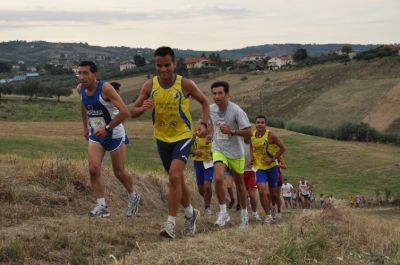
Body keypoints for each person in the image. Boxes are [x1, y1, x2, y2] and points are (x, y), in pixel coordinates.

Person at [130, 46, 209, 239]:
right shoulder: (150, 86)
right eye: (159, 66)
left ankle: (170, 224)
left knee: (174, 176)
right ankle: (190, 214)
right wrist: (143, 108)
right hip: (162, 138)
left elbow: (205, 102)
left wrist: (204, 123)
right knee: (178, 180)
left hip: (183, 136)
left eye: (167, 65)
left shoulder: (185, 84)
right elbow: (133, 111)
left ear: (174, 64)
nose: (163, 69)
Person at [77, 61, 140, 218]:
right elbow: (84, 106)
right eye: (80, 73)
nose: (82, 77)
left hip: (114, 132)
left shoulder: (105, 89)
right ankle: (101, 205)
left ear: (94, 75)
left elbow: (124, 112)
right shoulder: (80, 89)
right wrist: (86, 127)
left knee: (118, 172)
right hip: (96, 134)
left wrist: (106, 129)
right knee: (93, 169)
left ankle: (133, 195)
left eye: (86, 73)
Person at [209, 80, 252, 229]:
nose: (217, 96)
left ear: (227, 94)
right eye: (214, 93)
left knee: (240, 186)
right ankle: (223, 212)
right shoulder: (211, 110)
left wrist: (232, 131)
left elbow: (248, 131)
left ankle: (244, 217)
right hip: (219, 149)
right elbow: (210, 125)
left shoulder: (237, 111)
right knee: (219, 178)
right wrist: (209, 134)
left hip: (236, 152)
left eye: (220, 93)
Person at [250, 115, 286, 223]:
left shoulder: (270, 135)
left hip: (272, 168)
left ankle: (273, 206)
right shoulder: (252, 135)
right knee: (261, 190)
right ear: (255, 124)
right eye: (258, 122)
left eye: (262, 122)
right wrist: (252, 157)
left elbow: (283, 148)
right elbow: (251, 147)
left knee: (274, 194)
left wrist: (273, 159)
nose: (260, 124)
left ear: (266, 124)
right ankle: (268, 215)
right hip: (259, 168)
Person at [191, 121, 214, 215]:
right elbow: (187, 149)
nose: (198, 130)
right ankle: (207, 201)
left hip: (209, 164)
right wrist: (195, 152)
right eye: (197, 128)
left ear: (206, 129)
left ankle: (207, 207)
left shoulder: (211, 137)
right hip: (198, 163)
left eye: (200, 128)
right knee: (201, 189)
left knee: (208, 186)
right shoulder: (194, 138)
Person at [243, 138, 261, 221]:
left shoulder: (252, 142)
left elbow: (259, 154)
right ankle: (245, 214)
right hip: (240, 171)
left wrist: (254, 160)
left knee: (252, 195)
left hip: (252, 171)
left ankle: (254, 213)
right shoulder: (236, 141)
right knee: (244, 195)